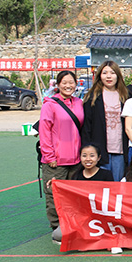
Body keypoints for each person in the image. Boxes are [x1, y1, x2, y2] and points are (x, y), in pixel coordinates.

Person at [39, 70, 85, 233]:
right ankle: (56, 227)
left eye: (71, 82)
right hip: (56, 160)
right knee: (54, 195)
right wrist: (49, 156)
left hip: (76, 159)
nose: (68, 86)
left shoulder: (79, 103)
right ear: (58, 85)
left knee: (73, 195)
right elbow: (44, 131)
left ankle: (71, 225)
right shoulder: (50, 105)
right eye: (64, 83)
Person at [81, 61, 128, 181]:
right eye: (105, 73)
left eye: (112, 73)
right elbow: (87, 126)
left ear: (118, 75)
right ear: (99, 76)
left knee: (118, 184)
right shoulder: (92, 97)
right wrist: (87, 149)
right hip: (100, 149)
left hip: (120, 150)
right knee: (101, 186)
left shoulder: (126, 96)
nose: (108, 76)